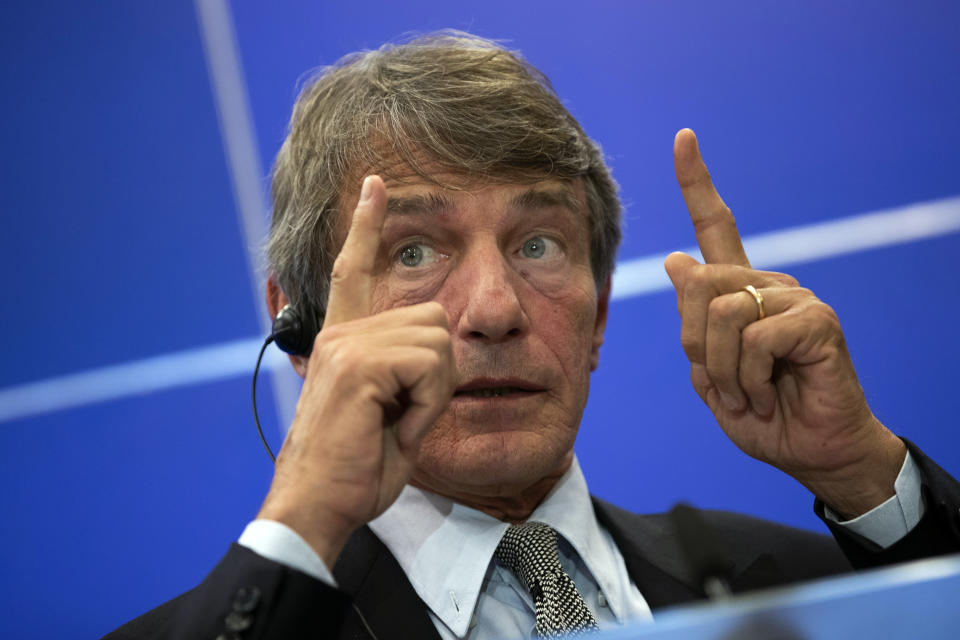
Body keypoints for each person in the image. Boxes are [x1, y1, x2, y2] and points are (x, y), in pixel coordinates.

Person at [106, 31, 960, 640]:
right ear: (304, 330)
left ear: (594, 315)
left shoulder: (799, 591)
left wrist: (861, 472)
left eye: (539, 244)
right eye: (414, 250)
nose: (495, 309)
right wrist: (301, 518)